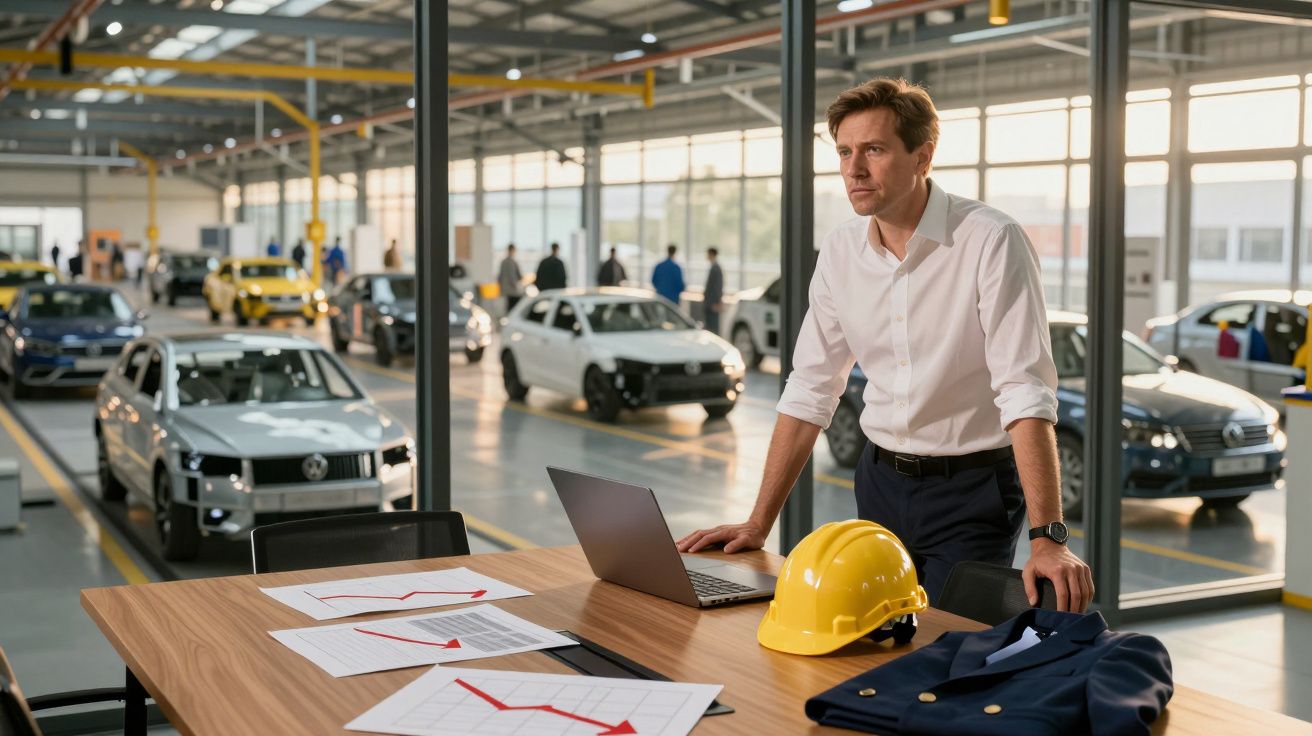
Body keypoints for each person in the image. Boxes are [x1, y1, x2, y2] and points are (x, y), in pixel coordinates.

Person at [676, 77, 1093, 612]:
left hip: (972, 489)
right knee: (875, 635)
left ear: (923, 155)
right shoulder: (841, 251)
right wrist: (759, 522)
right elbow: (810, 388)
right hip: (878, 481)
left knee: (946, 643)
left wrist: (1049, 538)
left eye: (874, 149)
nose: (854, 169)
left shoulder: (990, 240)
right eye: (845, 152)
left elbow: (1024, 392)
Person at [703, 247, 724, 335]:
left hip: (712, 303)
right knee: (709, 326)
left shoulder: (716, 268)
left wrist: (717, 302)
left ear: (712, 254)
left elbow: (718, 287)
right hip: (710, 303)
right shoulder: (713, 267)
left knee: (713, 327)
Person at [498, 244, 525, 311]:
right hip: (513, 291)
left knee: (508, 308)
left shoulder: (503, 262)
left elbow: (500, 277)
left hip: (505, 290)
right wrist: (517, 287)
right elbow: (515, 276)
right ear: (513, 250)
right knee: (513, 309)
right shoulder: (513, 262)